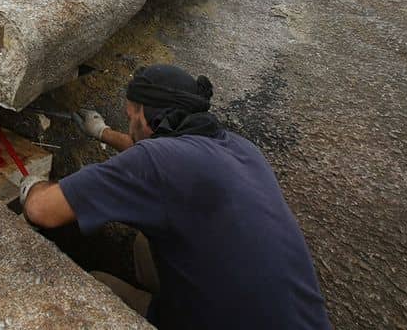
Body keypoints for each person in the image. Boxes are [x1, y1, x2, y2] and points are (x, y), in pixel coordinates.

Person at [20, 64, 331, 329]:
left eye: (131, 116)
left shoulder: (155, 162)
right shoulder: (238, 147)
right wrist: (101, 132)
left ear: (147, 116)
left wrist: (30, 184)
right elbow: (151, 149)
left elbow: (42, 211)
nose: (129, 123)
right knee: (146, 241)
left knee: (96, 283)